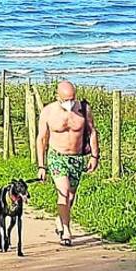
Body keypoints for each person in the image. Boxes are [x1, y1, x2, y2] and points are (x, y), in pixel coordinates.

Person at [36, 80, 100, 246]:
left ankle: (60, 218)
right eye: (66, 99)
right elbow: (41, 139)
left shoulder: (83, 110)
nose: (69, 103)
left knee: (71, 195)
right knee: (63, 192)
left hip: (77, 158)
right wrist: (41, 166)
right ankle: (66, 230)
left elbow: (92, 132)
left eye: (72, 98)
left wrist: (94, 156)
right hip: (57, 156)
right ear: (58, 97)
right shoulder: (48, 112)